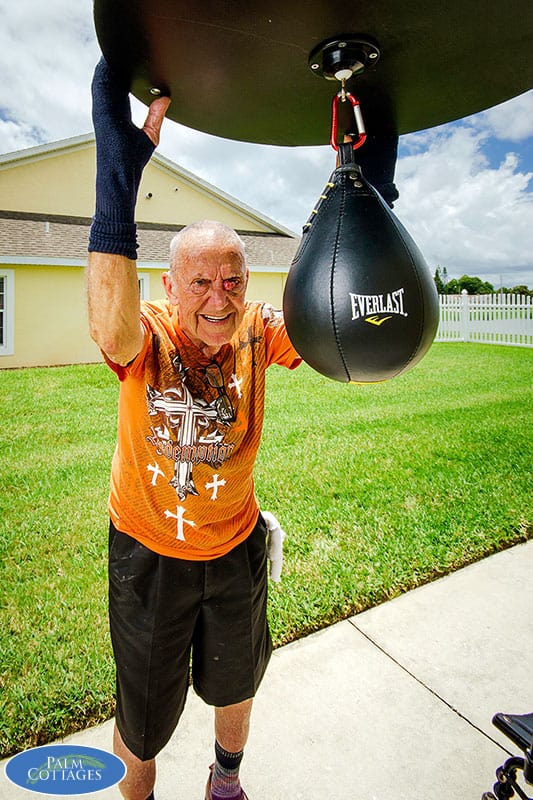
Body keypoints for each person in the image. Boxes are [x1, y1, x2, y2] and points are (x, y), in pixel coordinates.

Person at [86, 58, 301, 800]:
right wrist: (116, 178)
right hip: (149, 556)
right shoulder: (146, 332)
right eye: (200, 282)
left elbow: (338, 333)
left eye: (233, 278)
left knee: (236, 680)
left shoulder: (255, 326)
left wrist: (360, 190)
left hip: (233, 544)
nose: (218, 297)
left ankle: (226, 780)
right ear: (170, 286)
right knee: (142, 718)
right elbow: (108, 328)